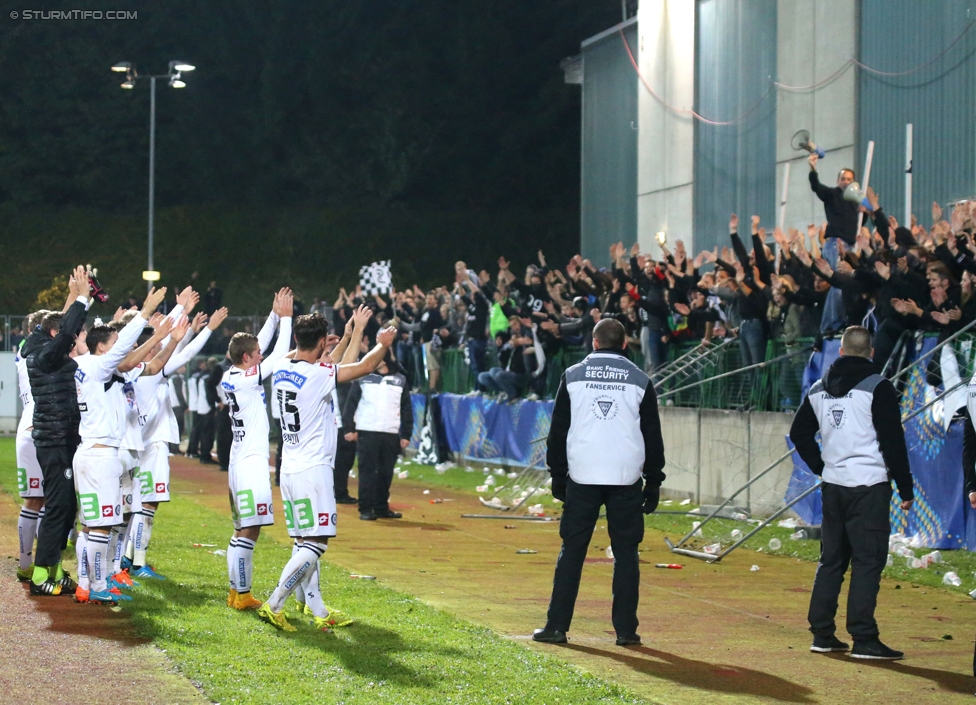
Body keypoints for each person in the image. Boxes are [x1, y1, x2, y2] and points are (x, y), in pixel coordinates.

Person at [258, 312, 395, 632]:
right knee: (316, 543)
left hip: (289, 467)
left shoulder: (282, 367)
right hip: (313, 469)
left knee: (302, 541)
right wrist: (381, 344)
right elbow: (363, 367)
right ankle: (275, 602)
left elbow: (322, 362)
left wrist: (347, 336)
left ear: (295, 341)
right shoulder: (319, 374)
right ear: (321, 342)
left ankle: (314, 606)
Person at [532, 318, 665, 646]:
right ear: (624, 344)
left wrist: (557, 475)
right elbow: (652, 436)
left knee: (572, 550)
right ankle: (626, 631)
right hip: (626, 477)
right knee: (626, 553)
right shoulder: (640, 380)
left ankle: (556, 626)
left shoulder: (573, 375)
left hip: (584, 475)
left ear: (593, 343)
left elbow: (558, 431)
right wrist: (654, 481)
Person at [789, 325, 914, 660]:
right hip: (869, 485)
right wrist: (906, 487)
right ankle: (863, 637)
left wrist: (820, 466)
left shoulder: (819, 388)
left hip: (833, 485)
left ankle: (822, 634)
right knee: (868, 561)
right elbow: (892, 442)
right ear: (871, 352)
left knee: (831, 561)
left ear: (841, 351)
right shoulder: (879, 387)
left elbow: (799, 432)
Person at [71, 286, 171, 604]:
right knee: (101, 527)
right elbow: (124, 355)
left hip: (88, 451)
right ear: (102, 348)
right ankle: (99, 585)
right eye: (113, 345)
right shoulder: (99, 366)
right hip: (101, 456)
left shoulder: (88, 367)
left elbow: (132, 361)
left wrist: (158, 337)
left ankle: (85, 584)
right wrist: (143, 314)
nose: (120, 351)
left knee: (89, 526)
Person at [220, 288, 293, 611]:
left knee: (243, 527)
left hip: (241, 460)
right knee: (249, 529)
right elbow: (277, 355)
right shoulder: (247, 380)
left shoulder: (230, 375)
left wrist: (274, 315)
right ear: (247, 360)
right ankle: (242, 594)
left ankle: (237, 591)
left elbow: (257, 346)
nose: (260, 356)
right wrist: (287, 321)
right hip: (249, 462)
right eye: (256, 355)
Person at [23, 266, 91, 596]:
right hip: (55, 441)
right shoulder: (47, 357)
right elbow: (64, 332)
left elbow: (57, 326)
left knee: (67, 506)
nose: (77, 339)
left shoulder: (39, 344)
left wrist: (72, 296)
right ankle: (39, 576)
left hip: (61, 439)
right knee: (58, 506)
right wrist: (83, 300)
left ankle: (54, 567)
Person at [342, 348, 413, 521]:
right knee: (367, 471)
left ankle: (381, 506)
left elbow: (406, 409)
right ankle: (365, 508)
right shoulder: (362, 378)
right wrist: (348, 428)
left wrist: (406, 434)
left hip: (390, 432)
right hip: (367, 430)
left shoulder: (400, 380)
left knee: (386, 472)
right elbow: (350, 404)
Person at [14, 309, 51, 582]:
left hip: (37, 430)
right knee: (37, 499)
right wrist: (77, 297)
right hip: (36, 430)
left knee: (47, 499)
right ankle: (28, 563)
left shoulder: (29, 351)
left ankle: (37, 562)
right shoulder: (30, 350)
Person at [808, 154, 858, 333]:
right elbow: (817, 187)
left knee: (842, 285)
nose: (846, 182)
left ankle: (829, 326)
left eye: (849, 179)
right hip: (836, 244)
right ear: (838, 181)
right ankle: (833, 325)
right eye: (843, 179)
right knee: (837, 285)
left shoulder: (855, 202)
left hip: (850, 247)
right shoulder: (832, 195)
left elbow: (859, 221)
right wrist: (813, 169)